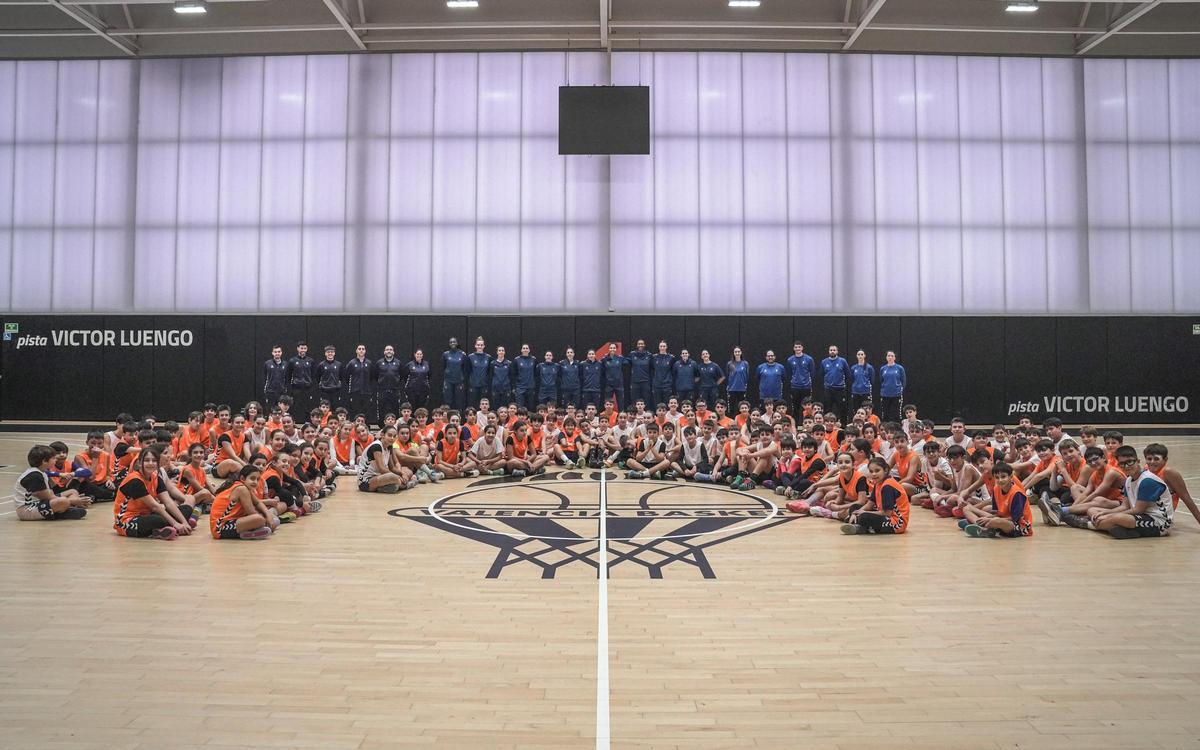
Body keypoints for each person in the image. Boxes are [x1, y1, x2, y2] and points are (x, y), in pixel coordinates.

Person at [1092, 446, 1174, 539]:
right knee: (1095, 512)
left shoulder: (1147, 480)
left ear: (1138, 461)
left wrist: (1109, 516)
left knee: (1116, 518)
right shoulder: (1128, 480)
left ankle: (1088, 524)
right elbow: (1124, 506)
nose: (1126, 466)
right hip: (1141, 516)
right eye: (1122, 464)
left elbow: (1138, 510)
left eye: (1130, 462)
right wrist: (1105, 513)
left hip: (1159, 523)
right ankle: (1125, 530)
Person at [113, 446, 191, 540]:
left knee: (186, 509)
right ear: (139, 462)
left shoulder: (156, 477)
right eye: (146, 460)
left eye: (154, 460)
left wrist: (184, 522)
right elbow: (155, 506)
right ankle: (166, 528)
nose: (150, 463)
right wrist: (176, 523)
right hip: (127, 522)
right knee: (158, 519)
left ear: (158, 463)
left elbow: (168, 502)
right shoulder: (134, 480)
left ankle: (158, 531)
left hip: (146, 514)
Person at [13, 445, 90, 521]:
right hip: (27, 510)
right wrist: (72, 501)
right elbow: (47, 497)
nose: (55, 460)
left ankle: (62, 510)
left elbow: (51, 494)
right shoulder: (35, 475)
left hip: (39, 503)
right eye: (53, 458)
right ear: (44, 461)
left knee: (72, 491)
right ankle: (62, 512)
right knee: (63, 501)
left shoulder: (41, 473)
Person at [959, 462, 1033, 538]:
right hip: (1002, 519)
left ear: (1011, 477)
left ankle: (981, 526)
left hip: (1020, 526)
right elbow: (998, 513)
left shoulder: (1017, 493)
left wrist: (989, 519)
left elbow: (1015, 518)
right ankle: (981, 526)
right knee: (967, 508)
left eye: (1003, 476)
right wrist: (988, 518)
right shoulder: (996, 489)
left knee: (996, 521)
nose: (1000, 480)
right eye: (997, 477)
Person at [841, 456, 909, 535]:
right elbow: (870, 504)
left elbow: (887, 513)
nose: (874, 474)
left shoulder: (887, 486)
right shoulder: (878, 483)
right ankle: (860, 525)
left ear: (885, 470)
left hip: (896, 523)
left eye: (877, 471)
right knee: (855, 507)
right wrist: (856, 513)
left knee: (864, 517)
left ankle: (861, 527)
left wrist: (862, 513)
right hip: (885, 516)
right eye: (871, 471)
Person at [209, 465, 274, 540]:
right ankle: (246, 533)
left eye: (257, 479)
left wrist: (268, 515)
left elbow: (258, 502)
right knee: (259, 519)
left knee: (267, 518)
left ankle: (247, 533)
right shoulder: (241, 489)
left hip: (231, 521)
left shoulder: (245, 487)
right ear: (242, 478)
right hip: (219, 528)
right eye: (252, 478)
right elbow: (252, 512)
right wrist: (265, 519)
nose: (255, 482)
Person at [357, 425, 405, 493]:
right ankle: (405, 485)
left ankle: (388, 487)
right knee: (393, 477)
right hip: (366, 481)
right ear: (382, 434)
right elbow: (381, 469)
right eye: (389, 435)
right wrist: (398, 477)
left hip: (379, 477)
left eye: (394, 436)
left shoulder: (389, 447)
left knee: (407, 472)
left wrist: (402, 473)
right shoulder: (377, 446)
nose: (392, 438)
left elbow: (392, 468)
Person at [74, 429, 116, 501]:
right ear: (87, 443)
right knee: (86, 486)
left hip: (102, 484)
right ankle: (109, 495)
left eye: (99, 443)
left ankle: (97, 497)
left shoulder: (106, 455)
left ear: (103, 444)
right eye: (93, 443)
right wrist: (95, 458)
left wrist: (109, 480)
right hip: (90, 484)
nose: (96, 446)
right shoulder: (79, 457)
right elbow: (90, 477)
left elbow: (108, 474)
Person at [820, 344, 852, 423]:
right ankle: (827, 425)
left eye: (834, 350)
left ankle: (844, 426)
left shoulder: (842, 361)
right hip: (828, 389)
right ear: (828, 351)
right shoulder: (824, 362)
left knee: (842, 409)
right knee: (827, 409)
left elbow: (848, 374)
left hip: (840, 389)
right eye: (831, 350)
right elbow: (821, 374)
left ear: (837, 351)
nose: (832, 351)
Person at [374, 344, 404, 425]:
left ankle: (395, 426)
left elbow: (401, 375)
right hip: (382, 391)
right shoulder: (379, 363)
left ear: (393, 352)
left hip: (395, 390)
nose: (389, 351)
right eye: (387, 349)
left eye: (391, 350)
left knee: (395, 409)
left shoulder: (398, 363)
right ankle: (381, 427)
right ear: (384, 352)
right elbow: (375, 375)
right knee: (381, 409)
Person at [786, 342, 815, 418]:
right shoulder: (790, 360)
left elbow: (812, 372)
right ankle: (796, 426)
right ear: (793, 349)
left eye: (799, 347)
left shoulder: (809, 359)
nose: (797, 349)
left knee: (806, 408)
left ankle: (806, 424)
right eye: (796, 347)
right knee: (795, 407)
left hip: (806, 387)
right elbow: (789, 373)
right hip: (795, 387)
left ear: (802, 348)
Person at [287, 341, 316, 416]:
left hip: (307, 388)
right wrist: (290, 387)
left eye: (304, 348)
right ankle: (293, 421)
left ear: (307, 349)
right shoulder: (292, 361)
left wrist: (311, 385)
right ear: (297, 349)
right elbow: (288, 375)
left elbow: (313, 375)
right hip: (296, 387)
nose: (303, 350)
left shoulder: (310, 361)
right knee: (294, 405)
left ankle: (308, 422)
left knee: (307, 405)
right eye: (301, 348)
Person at [345, 344, 373, 420]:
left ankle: (366, 426)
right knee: (355, 410)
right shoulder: (351, 363)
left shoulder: (369, 363)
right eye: (359, 349)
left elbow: (372, 377)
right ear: (356, 351)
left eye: (363, 349)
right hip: (355, 392)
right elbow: (347, 377)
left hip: (366, 392)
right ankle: (354, 427)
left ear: (365, 351)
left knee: (366, 411)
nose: (361, 350)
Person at [877, 350, 905, 423]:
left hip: (896, 395)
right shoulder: (883, 369)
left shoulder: (899, 368)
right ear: (886, 357)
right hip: (885, 394)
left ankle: (898, 430)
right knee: (885, 413)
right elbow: (881, 380)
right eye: (888, 356)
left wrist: (900, 390)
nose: (890, 357)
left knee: (896, 414)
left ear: (894, 358)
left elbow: (903, 381)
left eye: (892, 356)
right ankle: (885, 430)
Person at [441, 338, 467, 410]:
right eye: (451, 342)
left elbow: (465, 368)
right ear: (449, 344)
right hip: (448, 381)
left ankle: (458, 418)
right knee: (448, 401)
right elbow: (444, 367)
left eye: (454, 342)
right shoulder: (445, 354)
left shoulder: (462, 354)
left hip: (459, 381)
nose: (453, 343)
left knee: (459, 401)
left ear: (457, 343)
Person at [465, 337, 492, 408]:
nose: (480, 346)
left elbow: (489, 372)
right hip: (473, 385)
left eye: (481, 345)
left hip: (484, 385)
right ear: (475, 346)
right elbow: (467, 371)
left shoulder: (488, 357)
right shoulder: (470, 357)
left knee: (484, 405)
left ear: (484, 346)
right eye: (478, 345)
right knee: (472, 405)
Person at [316, 345, 344, 410]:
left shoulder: (339, 364)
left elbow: (341, 377)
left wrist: (338, 384)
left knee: (335, 408)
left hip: (336, 391)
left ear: (334, 353)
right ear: (325, 353)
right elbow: (317, 377)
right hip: (325, 391)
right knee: (325, 408)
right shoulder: (321, 365)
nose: (330, 353)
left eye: (332, 352)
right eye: (328, 352)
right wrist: (322, 385)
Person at [600, 343, 628, 410]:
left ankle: (621, 416)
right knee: (608, 403)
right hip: (609, 385)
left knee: (620, 402)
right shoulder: (605, 359)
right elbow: (602, 370)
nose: (612, 349)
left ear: (616, 349)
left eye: (614, 348)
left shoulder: (620, 358)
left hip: (619, 384)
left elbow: (627, 363)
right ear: (609, 349)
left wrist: (623, 357)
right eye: (611, 348)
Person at [628, 340, 653, 409]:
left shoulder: (649, 355)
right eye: (639, 344)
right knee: (634, 400)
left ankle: (647, 416)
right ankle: (633, 415)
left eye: (642, 344)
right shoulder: (632, 354)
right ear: (637, 345)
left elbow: (652, 367)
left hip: (646, 381)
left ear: (644, 345)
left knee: (647, 400)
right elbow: (627, 363)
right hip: (635, 381)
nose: (640, 345)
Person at [651, 341, 676, 409]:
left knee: (666, 404)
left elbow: (673, 371)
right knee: (657, 404)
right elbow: (652, 369)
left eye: (664, 346)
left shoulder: (671, 358)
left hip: (667, 385)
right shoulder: (654, 357)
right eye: (661, 346)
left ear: (666, 347)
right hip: (657, 385)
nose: (662, 348)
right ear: (659, 347)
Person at [513, 344, 538, 411]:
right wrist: (515, 386)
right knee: (520, 408)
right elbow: (514, 374)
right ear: (521, 350)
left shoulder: (533, 359)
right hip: (520, 387)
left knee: (531, 406)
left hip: (530, 387)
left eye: (527, 348)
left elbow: (536, 373)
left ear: (529, 350)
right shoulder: (517, 360)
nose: (525, 350)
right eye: (524, 348)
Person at [849, 349, 875, 415]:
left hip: (865, 392)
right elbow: (851, 379)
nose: (860, 356)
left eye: (862, 354)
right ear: (856, 356)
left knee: (866, 410)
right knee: (856, 409)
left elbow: (872, 380)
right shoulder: (853, 368)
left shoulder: (869, 367)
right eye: (859, 354)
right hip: (856, 392)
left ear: (864, 356)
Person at [263, 344, 288, 410]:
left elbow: (287, 377)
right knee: (269, 409)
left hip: (281, 392)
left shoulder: (285, 364)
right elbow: (265, 376)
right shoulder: (267, 363)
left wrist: (285, 388)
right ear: (272, 353)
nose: (277, 353)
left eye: (279, 352)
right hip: (270, 391)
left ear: (281, 352)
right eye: (275, 352)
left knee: (281, 410)